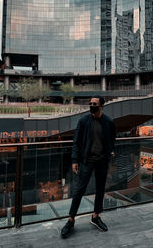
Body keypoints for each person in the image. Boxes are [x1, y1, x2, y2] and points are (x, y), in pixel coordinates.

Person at [61, 95, 116, 238]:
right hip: (86, 161)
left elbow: (112, 138)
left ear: (101, 106)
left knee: (100, 190)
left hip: (102, 161)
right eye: (90, 103)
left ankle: (96, 216)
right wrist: (74, 160)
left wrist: (110, 150)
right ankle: (71, 220)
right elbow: (76, 142)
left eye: (95, 104)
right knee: (79, 190)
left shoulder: (108, 122)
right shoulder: (84, 121)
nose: (92, 105)